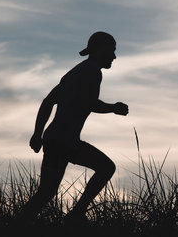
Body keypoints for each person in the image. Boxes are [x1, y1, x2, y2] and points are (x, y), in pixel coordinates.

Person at [20, 31, 129, 221]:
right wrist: (114, 108)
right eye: (111, 50)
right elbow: (88, 102)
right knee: (106, 168)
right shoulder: (91, 72)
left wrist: (38, 134)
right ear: (100, 49)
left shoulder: (75, 72)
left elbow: (48, 101)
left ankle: (17, 225)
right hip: (63, 142)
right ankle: (76, 214)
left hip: (57, 140)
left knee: (45, 194)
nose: (114, 56)